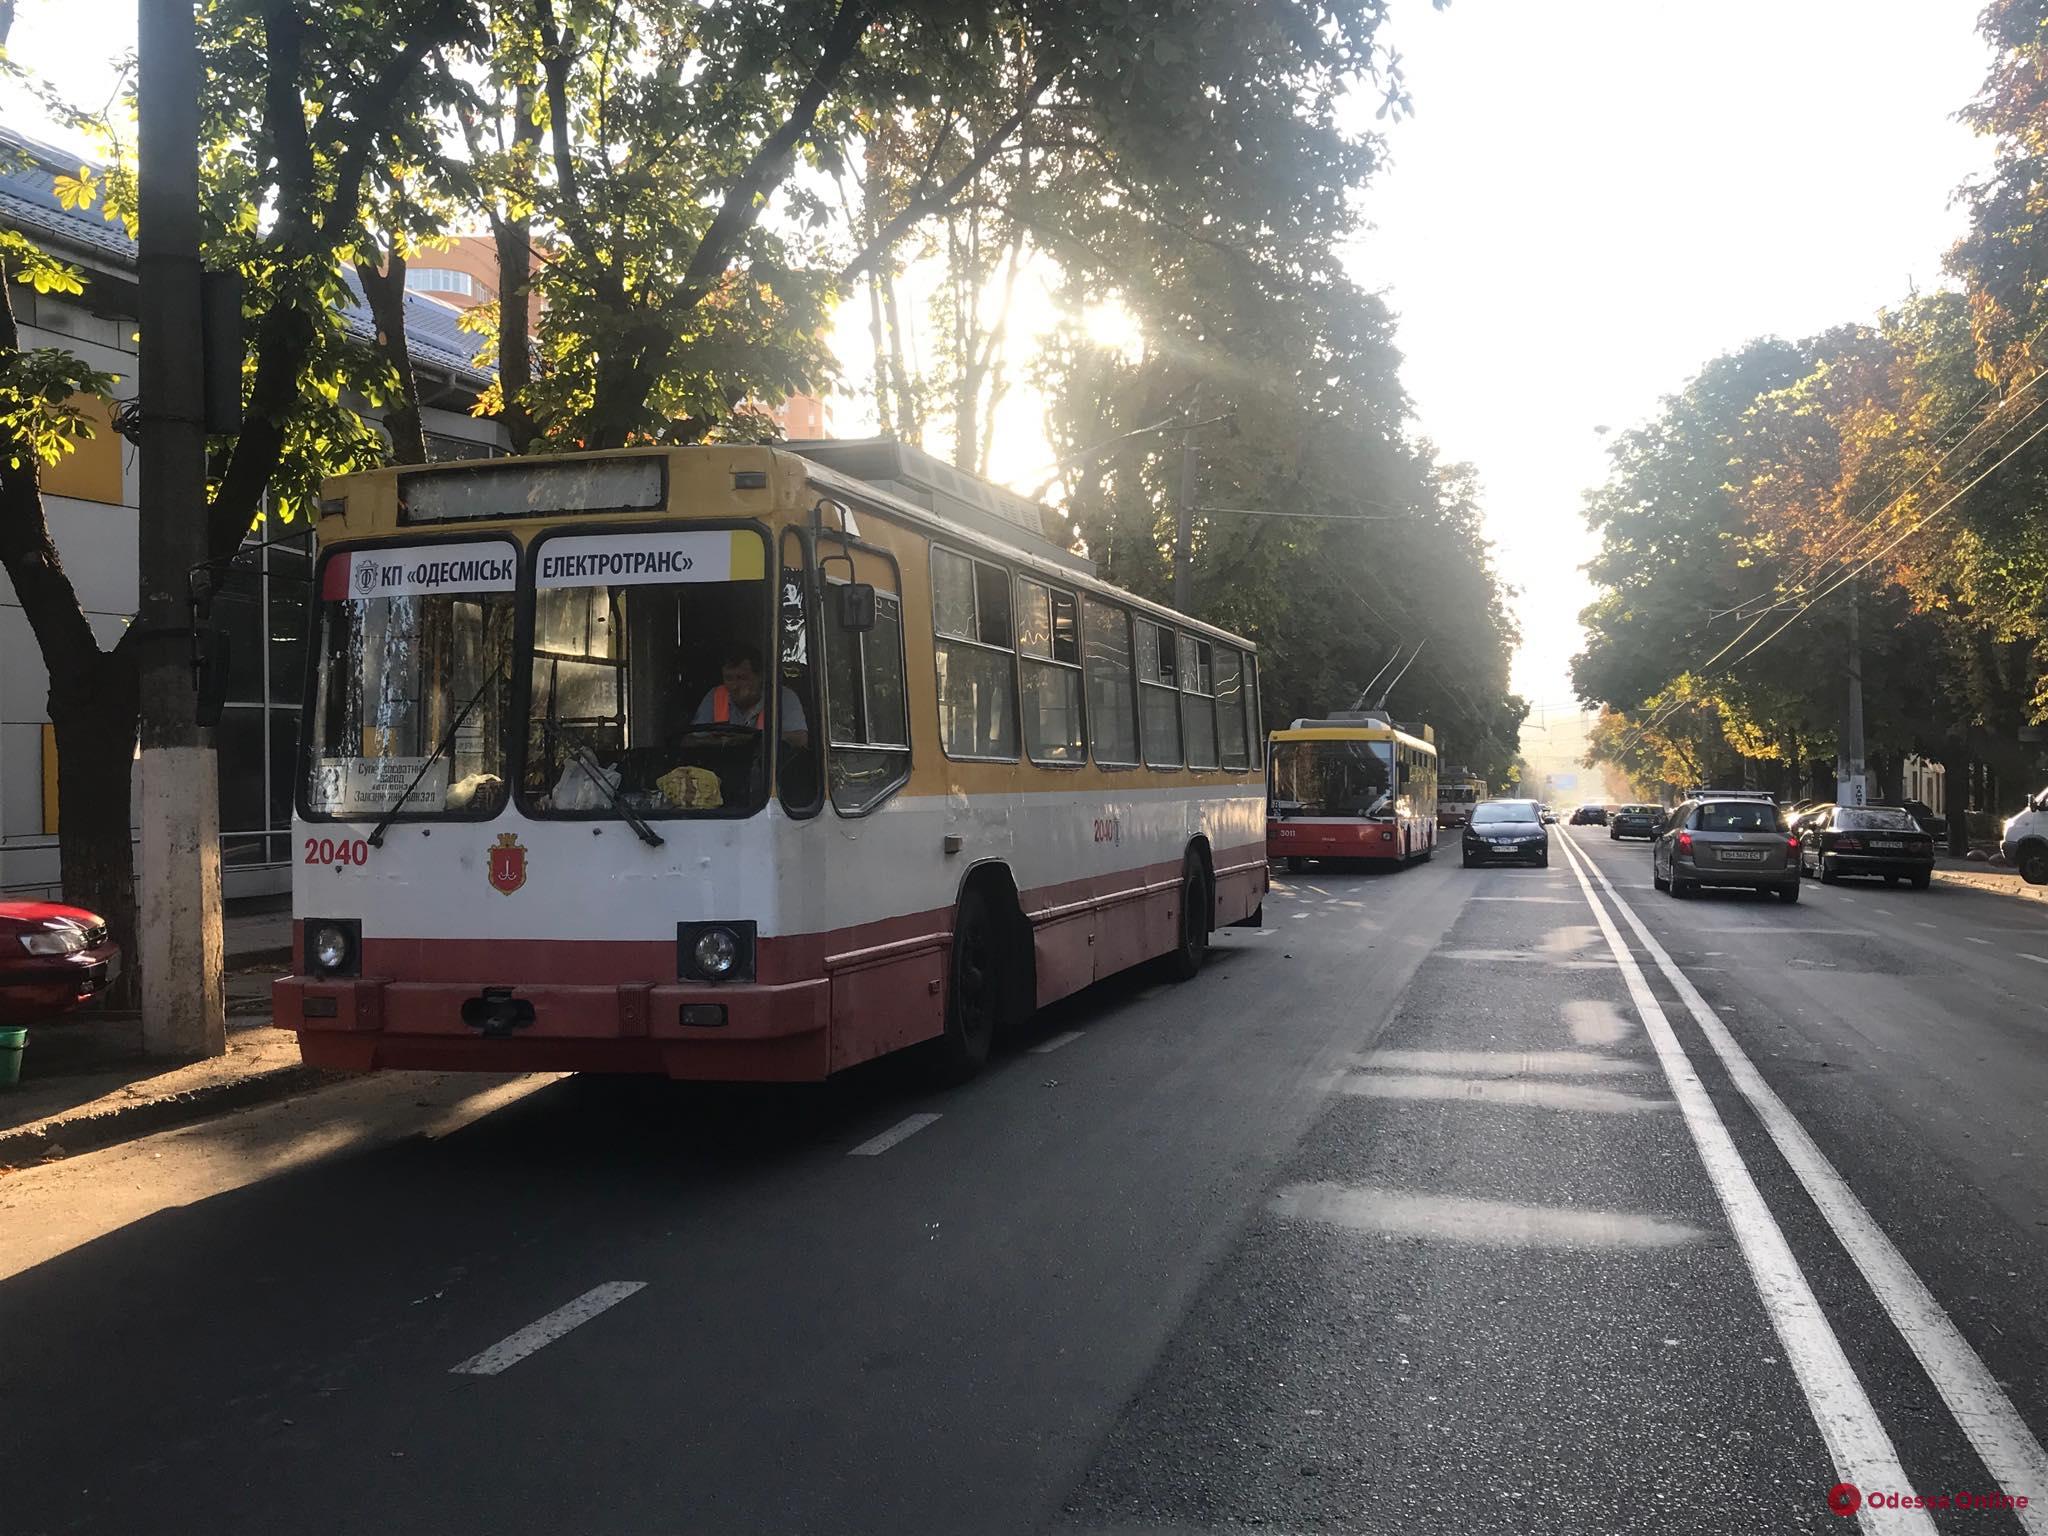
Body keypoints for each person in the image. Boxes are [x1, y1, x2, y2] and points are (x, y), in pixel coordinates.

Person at [693, 641, 809, 748]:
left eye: (742, 678)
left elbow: (800, 739)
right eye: (729, 678)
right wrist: (722, 742)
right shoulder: (715, 696)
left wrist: (752, 739)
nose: (734, 686)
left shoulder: (782, 697)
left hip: (767, 767)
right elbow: (691, 740)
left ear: (760, 677)